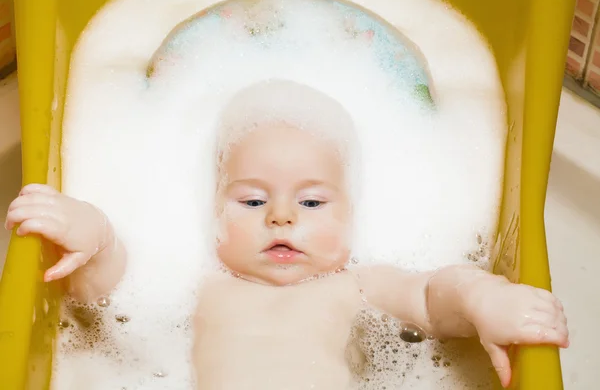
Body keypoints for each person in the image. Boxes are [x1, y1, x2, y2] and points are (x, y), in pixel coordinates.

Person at [5, 80, 568, 389]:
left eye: (312, 201)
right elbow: (103, 287)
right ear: (212, 215)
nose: (281, 217)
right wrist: (92, 230)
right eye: (252, 200)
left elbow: (430, 297)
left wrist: (482, 296)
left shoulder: (356, 285)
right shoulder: (196, 281)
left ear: (353, 213)